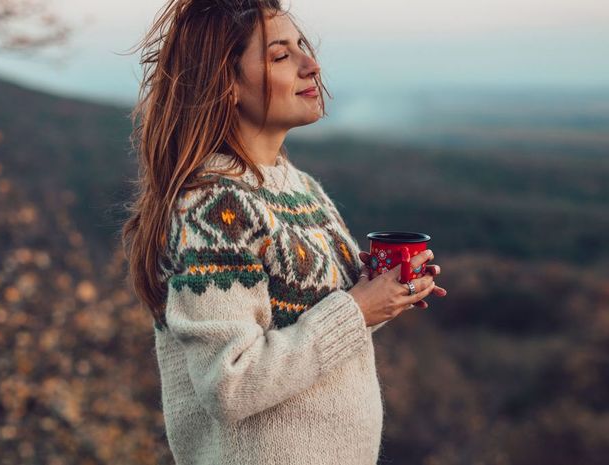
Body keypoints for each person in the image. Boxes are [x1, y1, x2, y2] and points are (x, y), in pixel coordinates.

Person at [120, 1, 447, 463]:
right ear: (226, 83)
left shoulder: (299, 187)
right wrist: (358, 309)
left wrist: (389, 293)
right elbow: (229, 383)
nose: (311, 65)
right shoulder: (213, 205)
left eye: (303, 47)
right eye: (280, 56)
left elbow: (324, 326)